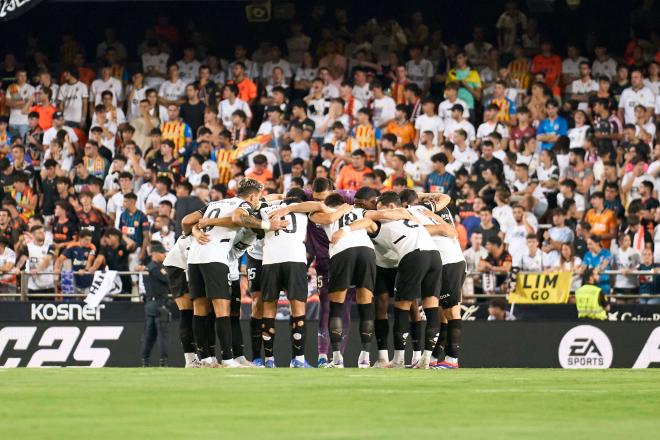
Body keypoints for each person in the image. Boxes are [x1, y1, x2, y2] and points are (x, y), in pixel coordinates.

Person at [182, 178, 288, 368]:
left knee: (200, 310)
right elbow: (238, 218)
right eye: (257, 198)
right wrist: (266, 226)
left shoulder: (215, 203)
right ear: (252, 196)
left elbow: (186, 221)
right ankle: (229, 360)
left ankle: (205, 359)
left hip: (195, 257)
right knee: (223, 311)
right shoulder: (244, 204)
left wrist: (196, 232)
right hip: (215, 257)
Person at [138, 241, 171, 366]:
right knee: (163, 335)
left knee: (148, 335)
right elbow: (168, 280)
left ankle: (145, 361)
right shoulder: (156, 268)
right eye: (162, 253)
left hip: (149, 305)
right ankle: (163, 362)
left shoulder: (148, 268)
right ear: (155, 254)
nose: (164, 255)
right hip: (160, 304)